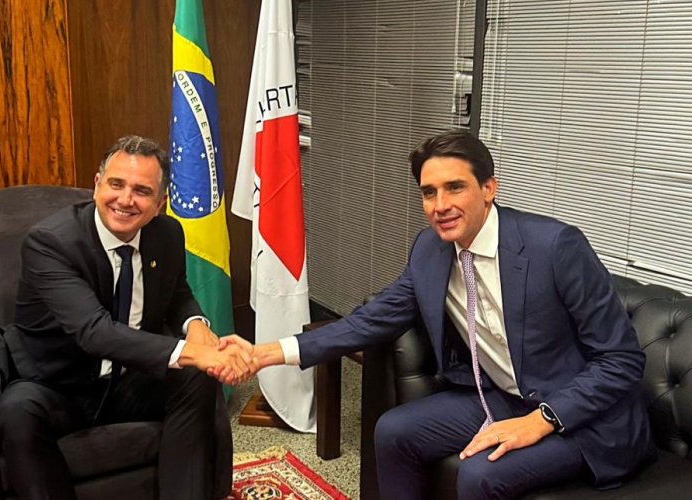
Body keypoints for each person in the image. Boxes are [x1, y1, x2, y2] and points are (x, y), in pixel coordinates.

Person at [221, 130, 656, 499]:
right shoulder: (430, 250)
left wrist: (541, 420)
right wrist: (264, 354)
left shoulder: (555, 247)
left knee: (480, 474)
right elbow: (370, 320)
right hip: (502, 397)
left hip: (584, 419)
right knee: (394, 431)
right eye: (429, 192)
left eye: (455, 187)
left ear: (489, 188)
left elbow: (621, 360)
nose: (440, 204)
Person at [0, 135, 257, 500]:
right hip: (57, 384)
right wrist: (195, 352)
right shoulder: (51, 243)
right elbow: (94, 332)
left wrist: (196, 325)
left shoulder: (166, 234)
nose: (125, 199)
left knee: (197, 378)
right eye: (116, 184)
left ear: (159, 204)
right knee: (16, 410)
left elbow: (177, 293)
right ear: (97, 184)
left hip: (128, 378)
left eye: (141, 191)